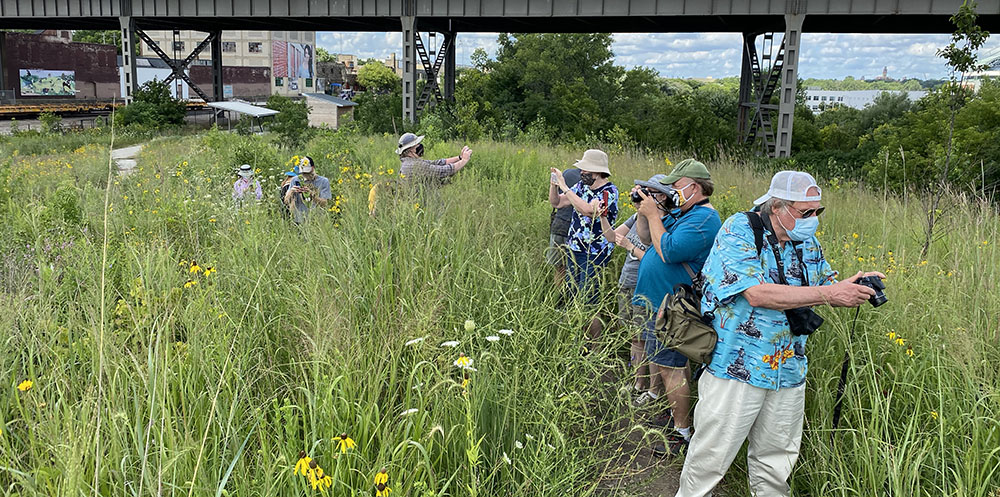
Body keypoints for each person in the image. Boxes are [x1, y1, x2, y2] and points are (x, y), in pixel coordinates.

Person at [675, 171, 886, 497]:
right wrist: (829, 294)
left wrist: (853, 286)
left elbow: (825, 284)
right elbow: (757, 294)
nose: (813, 220)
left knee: (777, 460)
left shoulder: (807, 242)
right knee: (711, 456)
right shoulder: (739, 230)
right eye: (805, 212)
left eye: (818, 212)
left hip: (787, 369)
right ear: (777, 207)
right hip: (736, 368)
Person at [631, 159, 721, 457]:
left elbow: (669, 251)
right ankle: (672, 413)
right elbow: (648, 239)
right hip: (654, 301)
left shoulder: (704, 220)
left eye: (675, 186)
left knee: (672, 368)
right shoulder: (684, 213)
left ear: (693, 187)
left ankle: (682, 432)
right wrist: (645, 213)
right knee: (662, 362)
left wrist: (655, 213)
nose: (671, 191)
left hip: (673, 308)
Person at [612, 174, 668, 406]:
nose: (644, 195)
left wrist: (630, 246)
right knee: (636, 336)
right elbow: (612, 236)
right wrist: (604, 217)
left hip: (645, 282)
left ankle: (653, 390)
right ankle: (637, 382)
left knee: (650, 337)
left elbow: (657, 258)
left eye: (649, 192)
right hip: (629, 279)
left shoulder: (665, 222)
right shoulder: (638, 216)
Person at [549, 149, 618, 311]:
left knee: (588, 301)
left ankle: (592, 336)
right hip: (575, 249)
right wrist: (554, 186)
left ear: (597, 171)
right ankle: (573, 332)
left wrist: (564, 187)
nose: (582, 172)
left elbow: (589, 211)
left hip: (594, 253)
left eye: (586, 169)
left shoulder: (609, 192)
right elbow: (557, 203)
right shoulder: (581, 186)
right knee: (572, 294)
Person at [547, 167, 582, 290]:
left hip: (560, 224)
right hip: (576, 229)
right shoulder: (588, 181)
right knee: (575, 268)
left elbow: (555, 202)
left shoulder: (568, 173)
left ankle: (559, 296)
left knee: (559, 267)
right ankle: (568, 297)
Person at [397, 133, 473, 183]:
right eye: (417, 144)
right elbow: (442, 171)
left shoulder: (409, 162)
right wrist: (464, 160)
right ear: (411, 150)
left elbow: (437, 163)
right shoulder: (415, 165)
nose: (420, 146)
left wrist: (459, 157)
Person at [283, 156, 331, 223]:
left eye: (307, 172)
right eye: (303, 173)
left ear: (313, 168)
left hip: (316, 220)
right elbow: (286, 201)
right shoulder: (295, 180)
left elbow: (325, 203)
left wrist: (312, 195)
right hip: (299, 220)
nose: (305, 175)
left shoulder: (323, 181)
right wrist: (291, 191)